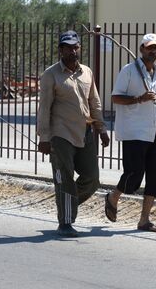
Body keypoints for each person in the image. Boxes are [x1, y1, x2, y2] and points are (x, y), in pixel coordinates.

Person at [37, 30, 110, 237]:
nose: (73, 50)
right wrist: (44, 138)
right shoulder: (51, 75)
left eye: (75, 46)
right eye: (68, 47)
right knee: (65, 178)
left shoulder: (86, 72)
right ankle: (66, 222)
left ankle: (66, 203)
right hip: (61, 135)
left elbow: (94, 102)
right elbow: (44, 108)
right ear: (60, 49)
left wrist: (101, 128)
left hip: (85, 132)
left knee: (92, 178)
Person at [105, 33, 156, 232]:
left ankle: (144, 219)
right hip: (135, 130)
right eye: (150, 47)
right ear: (142, 49)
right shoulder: (129, 71)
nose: (154, 51)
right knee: (134, 174)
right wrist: (139, 99)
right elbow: (116, 98)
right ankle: (113, 196)